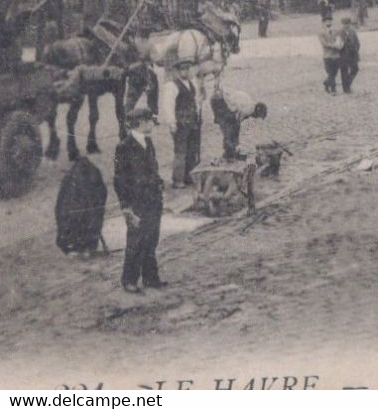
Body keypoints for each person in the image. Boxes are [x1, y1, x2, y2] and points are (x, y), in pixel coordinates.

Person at [113, 108, 166, 294]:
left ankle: (151, 277)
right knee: (136, 241)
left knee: (152, 238)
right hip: (137, 203)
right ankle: (129, 279)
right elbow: (119, 180)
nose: (152, 123)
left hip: (153, 199)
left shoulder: (148, 142)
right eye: (150, 120)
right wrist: (126, 207)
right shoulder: (124, 146)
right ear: (141, 122)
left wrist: (159, 183)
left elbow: (153, 168)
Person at [165, 60, 202, 188]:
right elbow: (168, 105)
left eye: (188, 69)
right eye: (183, 69)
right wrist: (171, 122)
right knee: (180, 151)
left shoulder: (192, 84)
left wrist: (197, 114)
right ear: (177, 71)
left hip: (192, 122)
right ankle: (178, 180)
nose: (186, 72)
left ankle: (189, 176)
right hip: (180, 123)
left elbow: (196, 101)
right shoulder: (172, 86)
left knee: (192, 150)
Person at [210, 86, 268, 161]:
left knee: (232, 128)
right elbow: (236, 120)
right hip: (220, 101)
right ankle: (230, 152)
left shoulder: (250, 105)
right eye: (257, 117)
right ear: (257, 112)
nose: (255, 118)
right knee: (229, 129)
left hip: (223, 100)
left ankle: (231, 151)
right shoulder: (249, 109)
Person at [319, 18, 344, 94]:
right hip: (327, 56)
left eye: (330, 21)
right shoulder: (321, 33)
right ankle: (333, 89)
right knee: (330, 73)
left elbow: (340, 40)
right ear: (323, 23)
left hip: (336, 56)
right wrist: (334, 46)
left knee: (335, 73)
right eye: (327, 21)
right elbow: (324, 44)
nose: (329, 23)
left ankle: (326, 83)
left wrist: (341, 45)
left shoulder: (336, 32)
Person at [338, 16, 361, 94]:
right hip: (343, 55)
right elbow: (338, 44)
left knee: (355, 69)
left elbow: (357, 42)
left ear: (350, 24)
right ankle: (346, 88)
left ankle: (347, 83)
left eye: (347, 24)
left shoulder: (352, 31)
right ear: (342, 24)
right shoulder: (339, 32)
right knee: (344, 71)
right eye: (344, 24)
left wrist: (356, 50)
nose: (346, 25)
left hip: (353, 54)